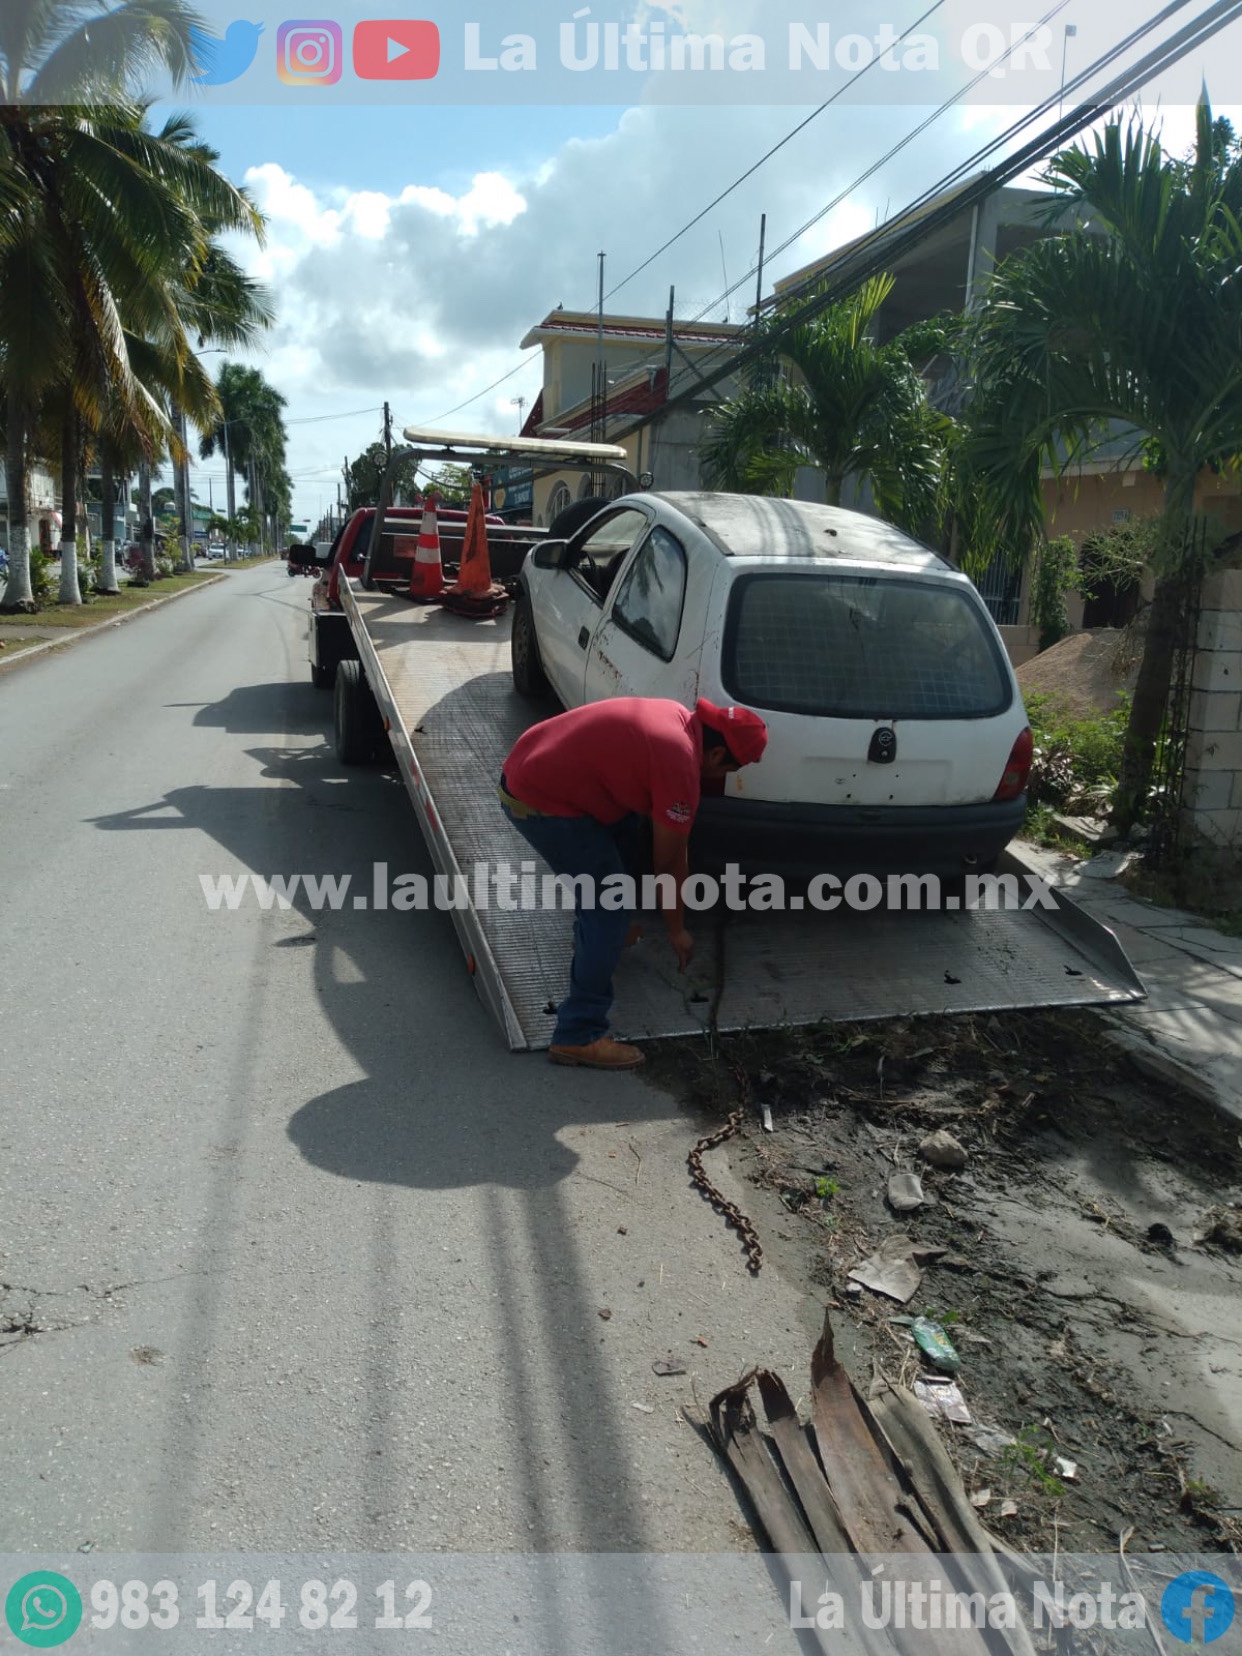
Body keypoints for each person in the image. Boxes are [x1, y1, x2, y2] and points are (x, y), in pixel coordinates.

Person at [499, 697, 768, 1070]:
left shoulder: (674, 716)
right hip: (540, 801)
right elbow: (670, 862)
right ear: (717, 753)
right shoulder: (679, 765)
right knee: (608, 903)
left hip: (531, 763)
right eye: (729, 769)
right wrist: (677, 931)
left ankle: (605, 936)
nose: (721, 778)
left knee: (625, 833)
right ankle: (579, 1034)